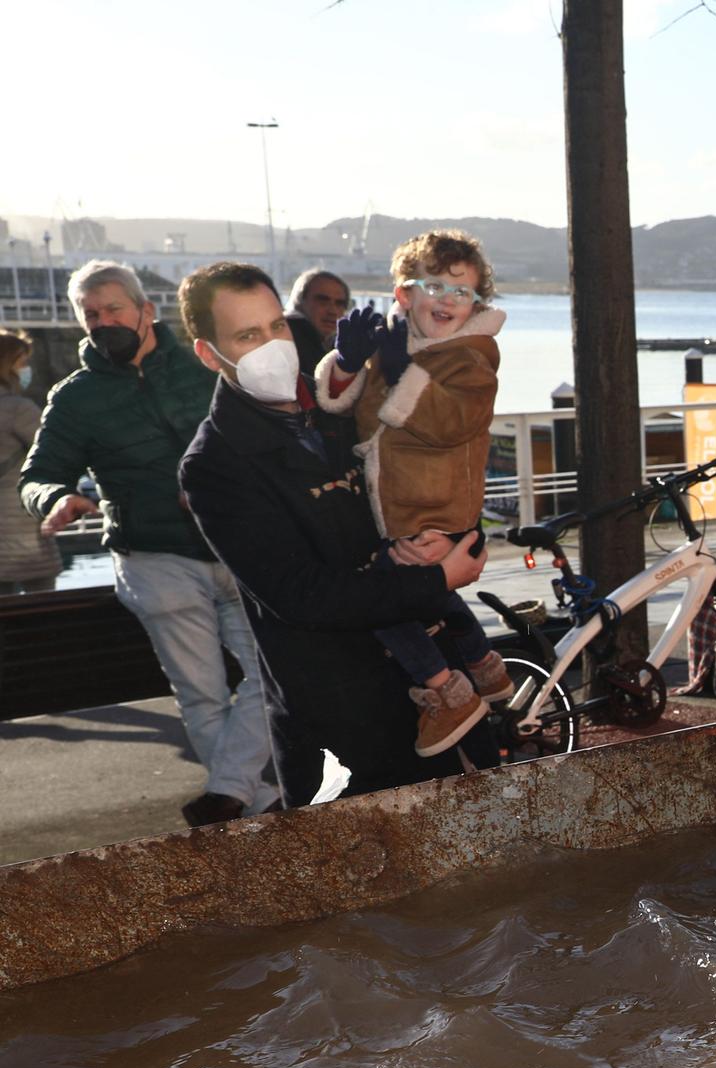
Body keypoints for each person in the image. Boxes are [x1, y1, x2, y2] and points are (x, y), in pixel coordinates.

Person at [176, 261, 493, 807]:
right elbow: (301, 597)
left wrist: (448, 537)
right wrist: (438, 577)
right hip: (343, 713)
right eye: (247, 335)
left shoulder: (341, 404)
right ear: (209, 354)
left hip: (438, 685)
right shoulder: (214, 466)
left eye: (276, 326)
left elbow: (431, 471)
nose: (272, 345)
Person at [18, 260, 278, 826]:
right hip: (153, 558)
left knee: (272, 672)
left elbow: (260, 434)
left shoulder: (203, 365)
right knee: (203, 697)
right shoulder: (74, 398)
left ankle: (235, 796)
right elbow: (36, 475)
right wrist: (56, 497)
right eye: (90, 314)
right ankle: (254, 804)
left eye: (113, 309)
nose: (102, 321)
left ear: (146, 310)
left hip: (236, 548)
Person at [313, 229, 509, 757]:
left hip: (437, 511)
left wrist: (405, 374)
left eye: (461, 291)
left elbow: (449, 423)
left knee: (380, 600)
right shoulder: (394, 346)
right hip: (399, 510)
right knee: (425, 593)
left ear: (475, 303)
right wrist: (350, 363)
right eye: (434, 285)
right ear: (404, 294)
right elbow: (339, 406)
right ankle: (484, 666)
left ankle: (448, 690)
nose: (447, 299)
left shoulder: (473, 357)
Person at [0, 332, 62, 593]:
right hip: (21, 532)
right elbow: (54, 452)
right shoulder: (18, 409)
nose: (26, 370)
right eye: (22, 362)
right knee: (42, 607)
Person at [285, 268, 352, 377]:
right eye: (322, 301)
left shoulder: (330, 342)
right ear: (299, 300)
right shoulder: (290, 337)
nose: (332, 311)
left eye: (339, 304)